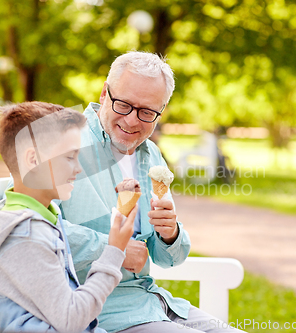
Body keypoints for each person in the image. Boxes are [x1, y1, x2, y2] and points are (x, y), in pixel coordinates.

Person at [60, 52, 244, 332]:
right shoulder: (63, 144)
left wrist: (170, 234)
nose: (133, 121)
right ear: (103, 94)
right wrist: (114, 249)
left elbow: (168, 258)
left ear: (161, 111)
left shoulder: (151, 155)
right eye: (123, 105)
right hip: (100, 313)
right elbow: (36, 231)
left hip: (153, 302)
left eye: (147, 112)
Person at [0, 102, 138, 333]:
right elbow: (71, 319)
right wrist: (115, 250)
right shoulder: (24, 236)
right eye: (69, 157)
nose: (78, 168)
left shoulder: (39, 220)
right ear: (33, 160)